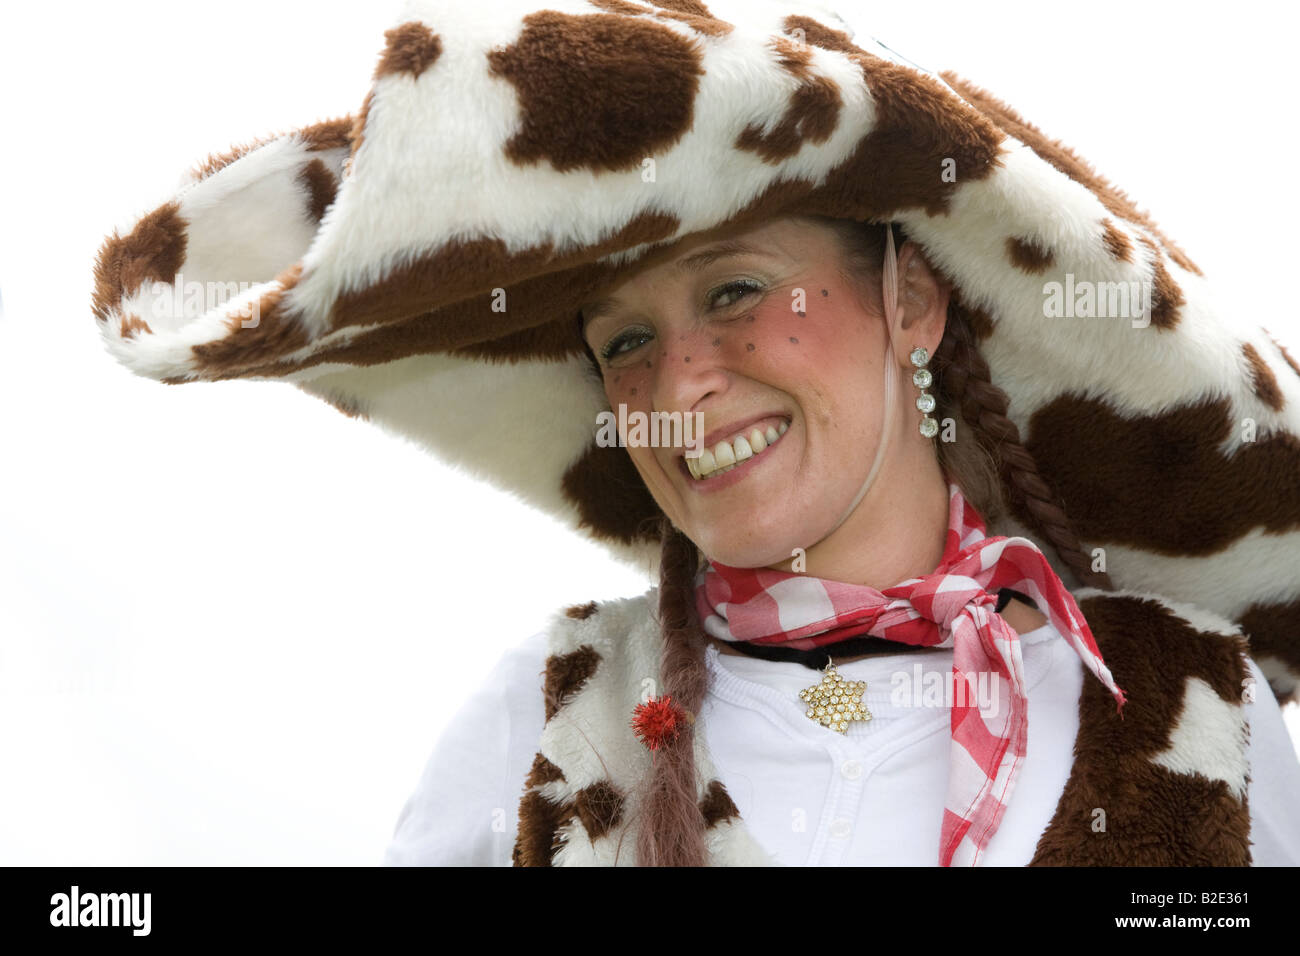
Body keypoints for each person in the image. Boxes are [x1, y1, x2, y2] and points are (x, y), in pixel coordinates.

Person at [90, 0, 1300, 866]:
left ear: (911, 305)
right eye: (622, 340)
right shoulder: (553, 707)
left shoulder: (1194, 703)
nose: (676, 379)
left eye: (734, 292)